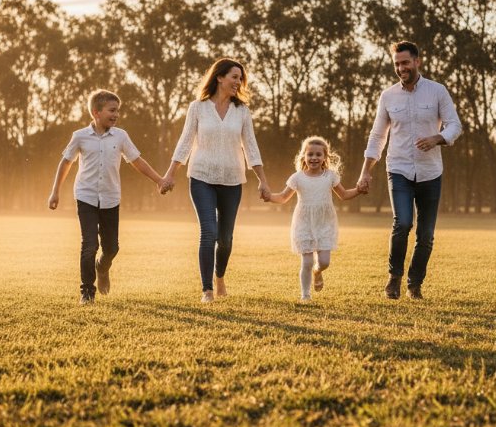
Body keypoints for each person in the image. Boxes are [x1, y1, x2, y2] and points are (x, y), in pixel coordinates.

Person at [358, 41, 462, 300]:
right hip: (399, 168)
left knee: (425, 235)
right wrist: (366, 171)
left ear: (418, 61)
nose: (401, 68)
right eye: (396, 64)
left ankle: (415, 285)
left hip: (430, 172)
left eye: (405, 62)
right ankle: (394, 277)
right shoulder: (388, 96)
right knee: (402, 223)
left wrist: (437, 138)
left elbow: (454, 125)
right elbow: (377, 135)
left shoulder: (438, 91)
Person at [162, 58, 271, 303]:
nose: (238, 82)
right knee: (208, 232)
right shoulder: (197, 107)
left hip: (232, 180)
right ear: (219, 77)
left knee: (226, 239)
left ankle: (220, 276)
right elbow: (185, 141)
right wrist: (170, 173)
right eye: (234, 76)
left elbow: (250, 146)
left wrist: (262, 180)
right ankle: (207, 289)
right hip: (201, 177)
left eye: (240, 78)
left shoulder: (242, 111)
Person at [48, 89, 167, 305]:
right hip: (86, 196)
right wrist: (55, 191)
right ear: (96, 112)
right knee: (89, 245)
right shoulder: (80, 136)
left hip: (111, 198)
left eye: (117, 111)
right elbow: (66, 162)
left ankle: (102, 268)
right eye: (112, 110)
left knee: (112, 247)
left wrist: (158, 180)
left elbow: (137, 161)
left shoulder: (120, 136)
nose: (116, 115)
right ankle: (87, 292)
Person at [267, 136, 362, 302]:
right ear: (304, 156)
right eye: (310, 154)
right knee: (307, 261)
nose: (314, 158)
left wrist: (359, 190)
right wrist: (269, 196)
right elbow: (283, 198)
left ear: (325, 157)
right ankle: (305, 295)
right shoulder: (297, 178)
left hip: (325, 222)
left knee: (324, 262)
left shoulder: (330, 176)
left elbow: (344, 194)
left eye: (318, 154)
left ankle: (318, 272)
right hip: (304, 223)